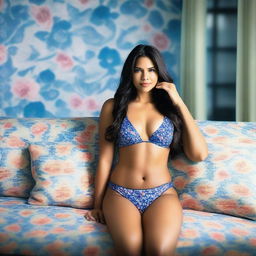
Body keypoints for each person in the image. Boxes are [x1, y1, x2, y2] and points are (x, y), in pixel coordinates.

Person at [84, 44, 208, 256]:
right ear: (129, 73)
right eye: (138, 70)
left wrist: (179, 102)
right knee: (130, 250)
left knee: (159, 251)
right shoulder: (113, 107)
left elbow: (199, 154)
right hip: (120, 193)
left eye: (151, 70)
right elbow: (105, 159)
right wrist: (97, 205)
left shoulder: (170, 108)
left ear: (159, 72)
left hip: (162, 194)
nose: (145, 76)